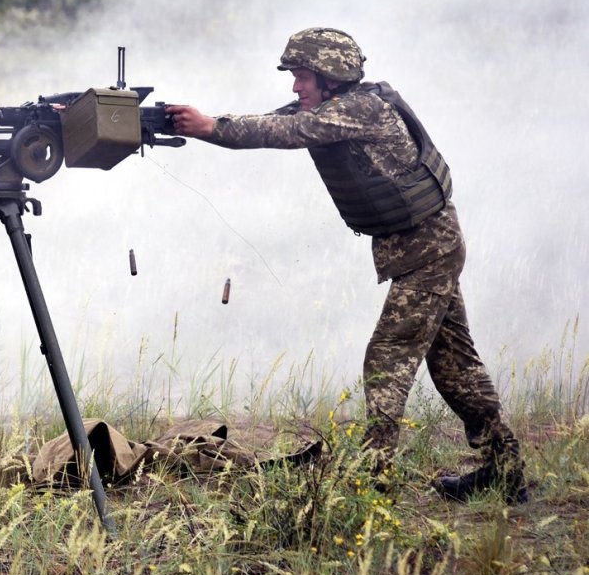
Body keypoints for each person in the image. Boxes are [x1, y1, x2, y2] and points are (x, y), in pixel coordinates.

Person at [166, 28, 527, 503]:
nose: (296, 88)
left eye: (302, 77)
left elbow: (289, 132)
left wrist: (211, 126)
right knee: (455, 365)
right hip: (426, 247)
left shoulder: (359, 110)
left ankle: (373, 485)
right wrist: (183, 124)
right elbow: (270, 123)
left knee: (386, 360)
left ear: (331, 77)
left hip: (428, 251)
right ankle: (505, 471)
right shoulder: (332, 108)